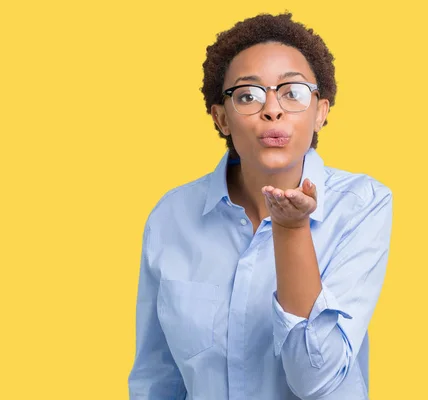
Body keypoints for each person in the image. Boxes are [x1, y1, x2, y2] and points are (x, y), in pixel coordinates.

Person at [127, 12, 393, 400]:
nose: (272, 109)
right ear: (222, 118)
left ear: (321, 112)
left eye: (293, 92)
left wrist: (291, 230)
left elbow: (315, 381)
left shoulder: (360, 206)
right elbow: (155, 379)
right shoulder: (171, 217)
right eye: (248, 95)